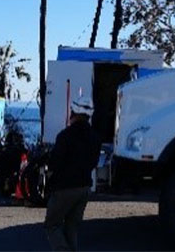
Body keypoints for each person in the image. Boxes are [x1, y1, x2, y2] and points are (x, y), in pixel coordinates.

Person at [44, 96, 100, 251]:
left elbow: (55, 163)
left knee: (52, 225)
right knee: (71, 227)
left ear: (73, 112)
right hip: (84, 187)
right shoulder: (95, 138)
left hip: (64, 187)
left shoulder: (65, 135)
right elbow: (94, 163)